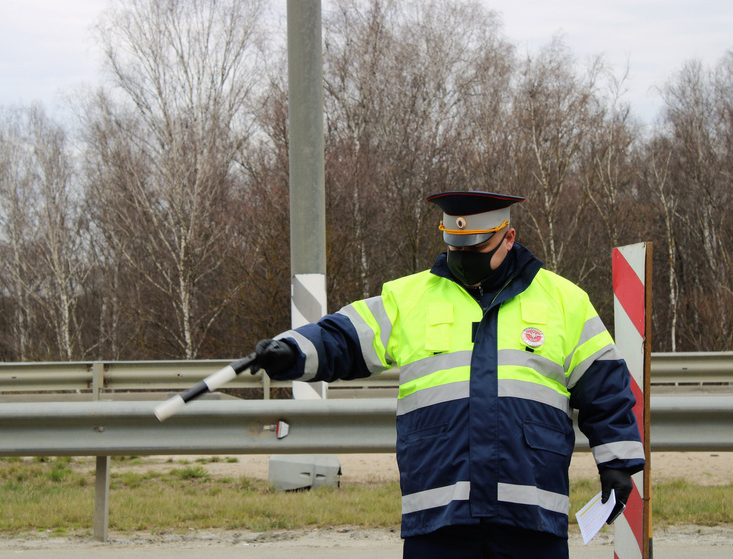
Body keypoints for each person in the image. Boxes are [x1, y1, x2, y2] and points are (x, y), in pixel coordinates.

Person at [253, 190, 645, 558]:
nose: (463, 256)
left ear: (508, 238)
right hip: (439, 511)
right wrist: (292, 349)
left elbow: (603, 385)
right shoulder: (410, 298)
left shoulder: (563, 300)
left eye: (475, 248)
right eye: (454, 247)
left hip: (532, 511)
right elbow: (343, 338)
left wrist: (616, 462)